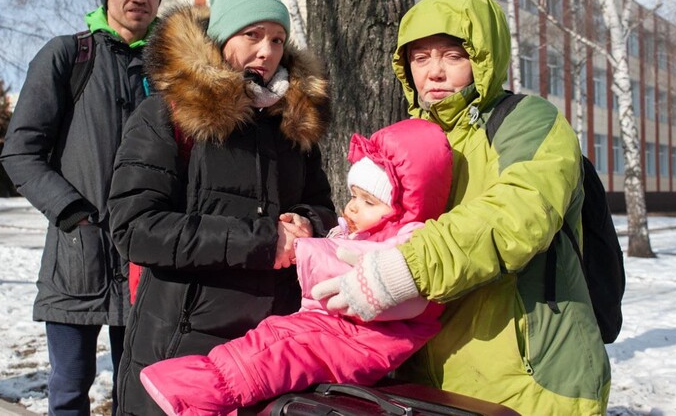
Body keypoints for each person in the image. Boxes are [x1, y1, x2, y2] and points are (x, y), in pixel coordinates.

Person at [312, 0, 612, 415]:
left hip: (529, 377)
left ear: (484, 58)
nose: (434, 72)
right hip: (423, 379)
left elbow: (517, 214)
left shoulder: (527, 121)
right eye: (420, 58)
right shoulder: (407, 141)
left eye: (453, 56)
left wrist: (408, 267)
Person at [106, 0, 338, 416]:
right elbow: (135, 227)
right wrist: (262, 241)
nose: (266, 51)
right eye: (252, 35)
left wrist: (308, 223)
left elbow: (323, 206)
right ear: (220, 36)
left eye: (277, 39)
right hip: (181, 351)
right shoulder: (166, 114)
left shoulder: (293, 123)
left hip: (269, 357)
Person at [134, 118, 452, 416]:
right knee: (270, 339)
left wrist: (302, 247)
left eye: (369, 202)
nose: (353, 207)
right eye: (354, 196)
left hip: (365, 341)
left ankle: (202, 392)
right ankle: (197, 389)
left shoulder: (411, 240)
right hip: (341, 330)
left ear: (404, 207)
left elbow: (393, 288)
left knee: (278, 352)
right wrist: (314, 229)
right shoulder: (372, 231)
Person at [0, 0, 162, 415]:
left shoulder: (171, 71)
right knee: (70, 389)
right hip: (77, 257)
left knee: (141, 392)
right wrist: (73, 213)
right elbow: (20, 152)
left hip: (148, 260)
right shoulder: (69, 54)